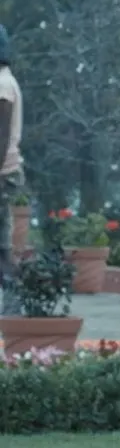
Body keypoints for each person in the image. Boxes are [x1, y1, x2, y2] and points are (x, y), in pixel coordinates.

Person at [0, 23, 24, 299]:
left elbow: (2, 135)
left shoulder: (3, 84)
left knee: (2, 248)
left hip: (3, 173)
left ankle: (15, 298)